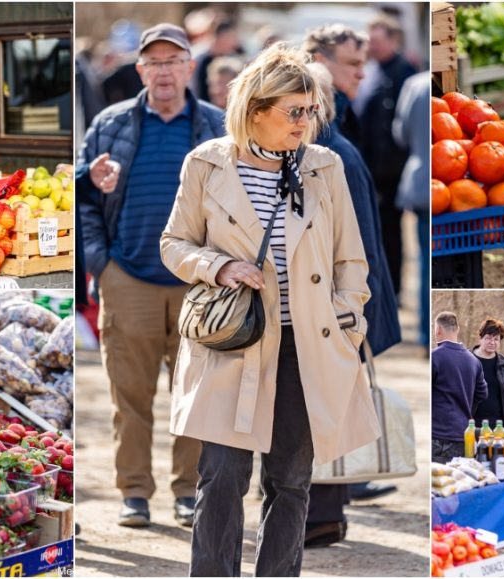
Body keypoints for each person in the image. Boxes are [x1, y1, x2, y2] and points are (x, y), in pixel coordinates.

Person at [159, 44, 375, 577]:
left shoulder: (325, 166)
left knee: (291, 482)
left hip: (308, 346)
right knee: (222, 478)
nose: (307, 121)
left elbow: (352, 258)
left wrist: (349, 318)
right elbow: (173, 244)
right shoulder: (206, 163)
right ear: (256, 111)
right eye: (294, 111)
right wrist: (219, 267)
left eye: (311, 109)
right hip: (232, 341)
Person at [76, 23, 226, 528]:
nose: (164, 71)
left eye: (173, 60)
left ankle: (189, 492)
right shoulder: (110, 123)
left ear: (190, 67)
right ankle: (134, 493)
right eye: (154, 62)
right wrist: (101, 262)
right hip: (129, 278)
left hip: (199, 284)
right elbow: (84, 196)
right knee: (130, 399)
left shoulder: (218, 127)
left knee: (195, 397)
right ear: (140, 70)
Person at [302, 61, 402, 548]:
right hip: (324, 310)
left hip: (334, 312)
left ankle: (323, 517)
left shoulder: (335, 157)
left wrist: (354, 314)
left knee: (326, 412)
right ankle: (326, 515)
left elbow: (357, 246)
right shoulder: (315, 153)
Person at [354, 14, 416, 300]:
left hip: (392, 172)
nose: (373, 47)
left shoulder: (405, 72)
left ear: (393, 40)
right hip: (370, 168)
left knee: (391, 233)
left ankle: (394, 290)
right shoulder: (370, 70)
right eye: (370, 42)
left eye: (377, 42)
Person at [393, 71, 429, 355]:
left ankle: (424, 336)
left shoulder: (413, 84)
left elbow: (400, 134)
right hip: (438, 183)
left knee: (423, 260)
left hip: (419, 182)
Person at [432, 312, 488, 464]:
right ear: (457, 330)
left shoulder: (435, 357)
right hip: (463, 436)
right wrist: (466, 409)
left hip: (438, 436)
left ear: (438, 330)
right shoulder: (474, 361)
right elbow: (482, 393)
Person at [303, 24, 367, 145]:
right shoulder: (307, 120)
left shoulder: (344, 112)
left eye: (363, 65)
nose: (362, 74)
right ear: (319, 61)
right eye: (353, 63)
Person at [471, 318, 504, 426]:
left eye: (496, 339)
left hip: (499, 425)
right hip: (472, 424)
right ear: (480, 338)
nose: (492, 342)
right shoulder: (468, 360)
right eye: (488, 338)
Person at [192, 18, 241, 100]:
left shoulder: (233, 59)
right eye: (229, 38)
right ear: (218, 37)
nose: (233, 42)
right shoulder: (200, 60)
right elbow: (196, 89)